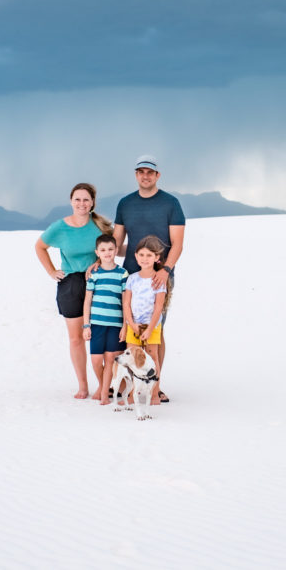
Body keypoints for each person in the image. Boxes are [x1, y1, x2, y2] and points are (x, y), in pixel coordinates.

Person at [112, 155, 185, 402]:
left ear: (157, 175)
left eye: (150, 172)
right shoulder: (125, 204)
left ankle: (156, 386)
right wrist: (102, 259)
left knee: (156, 331)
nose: (145, 176)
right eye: (141, 172)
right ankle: (133, 387)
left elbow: (177, 244)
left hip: (159, 278)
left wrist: (165, 271)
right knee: (131, 328)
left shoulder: (171, 203)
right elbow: (118, 242)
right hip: (131, 277)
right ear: (136, 175)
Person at [35, 183, 113, 399]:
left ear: (92, 203)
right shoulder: (59, 227)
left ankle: (104, 385)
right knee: (76, 338)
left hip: (97, 282)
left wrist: (97, 261)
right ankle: (82, 386)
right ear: (71, 201)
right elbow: (39, 247)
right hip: (70, 285)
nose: (82, 203)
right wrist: (52, 271)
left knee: (101, 335)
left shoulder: (100, 225)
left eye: (86, 199)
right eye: (77, 199)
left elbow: (110, 248)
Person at [81, 234, 128, 405]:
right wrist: (86, 325)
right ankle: (103, 386)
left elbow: (125, 302)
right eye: (103, 250)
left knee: (110, 359)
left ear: (116, 250)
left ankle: (104, 396)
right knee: (95, 360)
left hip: (115, 324)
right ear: (97, 252)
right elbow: (87, 301)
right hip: (96, 324)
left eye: (110, 249)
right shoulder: (94, 274)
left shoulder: (123, 273)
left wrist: (125, 326)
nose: (107, 253)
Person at [122, 236, 169, 405]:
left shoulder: (158, 280)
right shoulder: (132, 278)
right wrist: (131, 324)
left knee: (152, 357)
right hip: (134, 325)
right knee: (132, 359)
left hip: (152, 326)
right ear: (135, 256)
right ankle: (132, 393)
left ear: (157, 258)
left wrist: (149, 328)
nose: (144, 258)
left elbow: (158, 307)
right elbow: (126, 303)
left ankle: (154, 393)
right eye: (141, 254)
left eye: (149, 255)